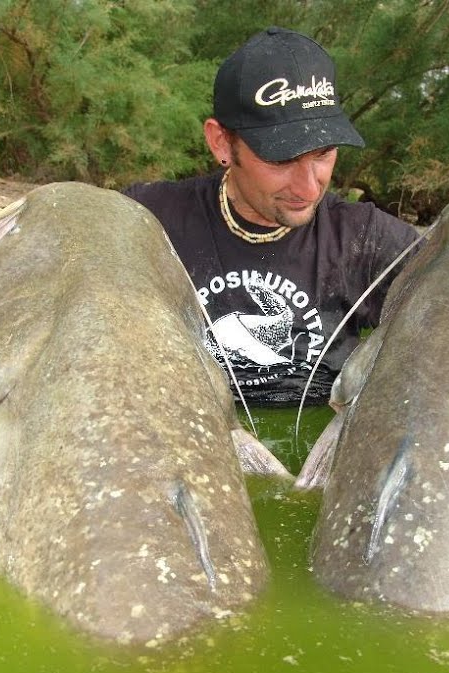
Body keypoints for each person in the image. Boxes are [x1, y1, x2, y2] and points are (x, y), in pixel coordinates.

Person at [124, 27, 420, 406]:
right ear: (221, 142)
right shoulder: (146, 221)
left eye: (323, 153)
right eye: (281, 159)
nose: (309, 188)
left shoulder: (368, 240)